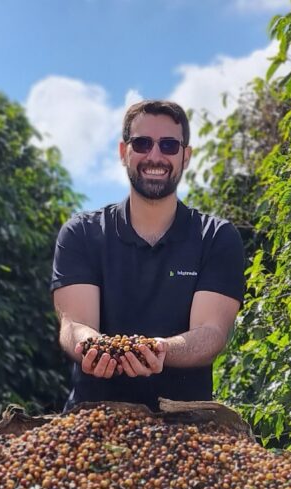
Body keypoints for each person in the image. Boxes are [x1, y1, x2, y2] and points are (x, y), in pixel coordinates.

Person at [50, 100, 245, 411]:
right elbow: (74, 322)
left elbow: (211, 333)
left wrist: (159, 350)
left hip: (186, 427)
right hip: (91, 421)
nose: (155, 156)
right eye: (142, 143)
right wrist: (92, 344)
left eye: (169, 145)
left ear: (186, 156)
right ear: (123, 151)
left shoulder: (216, 238)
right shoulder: (81, 234)